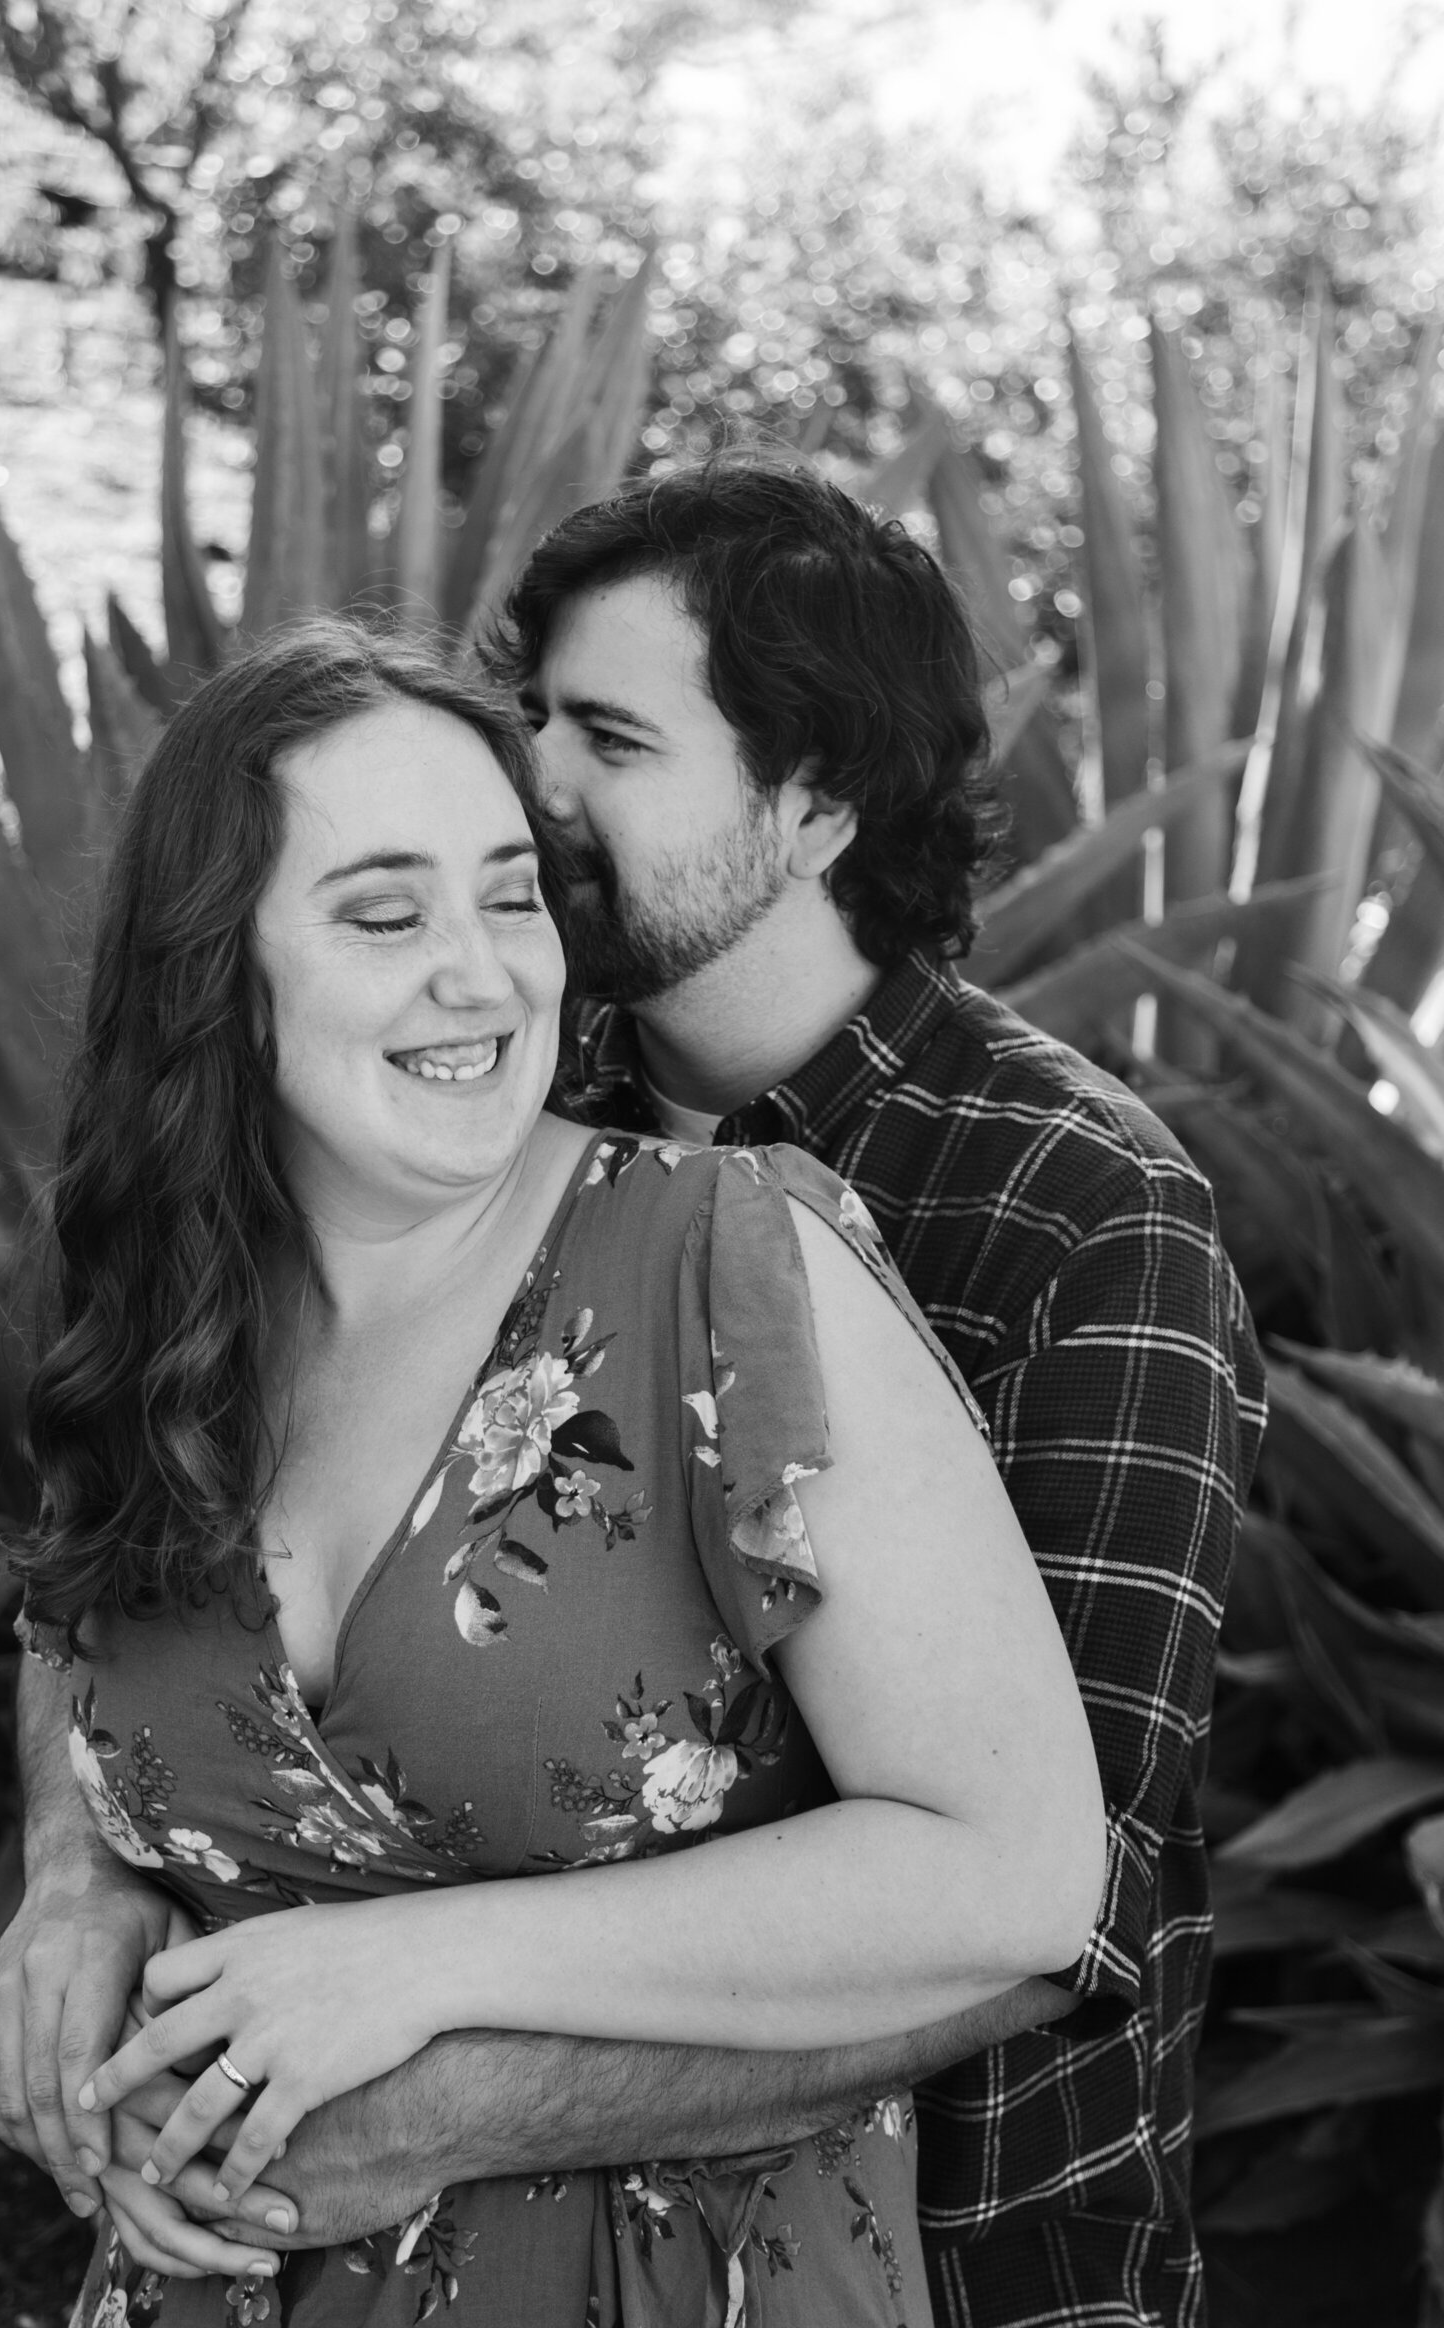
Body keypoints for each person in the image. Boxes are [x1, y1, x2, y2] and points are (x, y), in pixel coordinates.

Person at [129, 455, 1261, 2328]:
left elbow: (1057, 1914)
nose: (536, 788)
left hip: (955, 2259)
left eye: (611, 738)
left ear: (813, 804)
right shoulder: (476, 1088)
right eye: (533, 722)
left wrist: (446, 2090)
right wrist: (79, 1885)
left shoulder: (1076, 1209)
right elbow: (135, 1514)